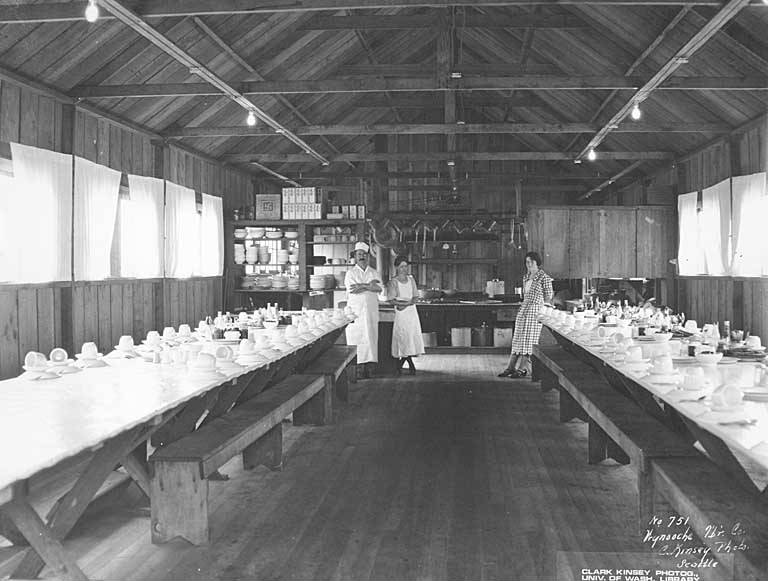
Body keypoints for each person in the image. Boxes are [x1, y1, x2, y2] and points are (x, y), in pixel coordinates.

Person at [498, 251, 553, 379]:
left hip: (535, 311)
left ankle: (523, 368)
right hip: (524, 309)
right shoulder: (526, 277)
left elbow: (549, 295)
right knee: (518, 338)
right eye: (527, 262)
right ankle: (510, 367)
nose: (528, 264)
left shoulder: (544, 277)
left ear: (537, 263)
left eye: (531, 262)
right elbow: (525, 295)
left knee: (529, 340)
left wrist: (542, 308)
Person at [344, 242, 382, 378]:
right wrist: (369, 285)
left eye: (364, 254)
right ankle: (358, 371)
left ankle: (369, 369)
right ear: (355, 256)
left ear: (368, 256)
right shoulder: (350, 273)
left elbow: (379, 288)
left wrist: (362, 286)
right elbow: (352, 289)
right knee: (357, 341)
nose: (362, 257)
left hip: (371, 312)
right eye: (359, 254)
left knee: (371, 340)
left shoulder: (374, 272)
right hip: (356, 313)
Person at [386, 255, 425, 375]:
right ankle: (407, 364)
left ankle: (402, 364)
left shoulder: (411, 280)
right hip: (401, 314)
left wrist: (407, 303)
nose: (404, 268)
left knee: (411, 337)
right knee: (403, 337)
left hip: (411, 312)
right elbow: (391, 300)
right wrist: (402, 303)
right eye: (401, 266)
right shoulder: (393, 282)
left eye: (406, 266)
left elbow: (415, 296)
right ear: (397, 267)